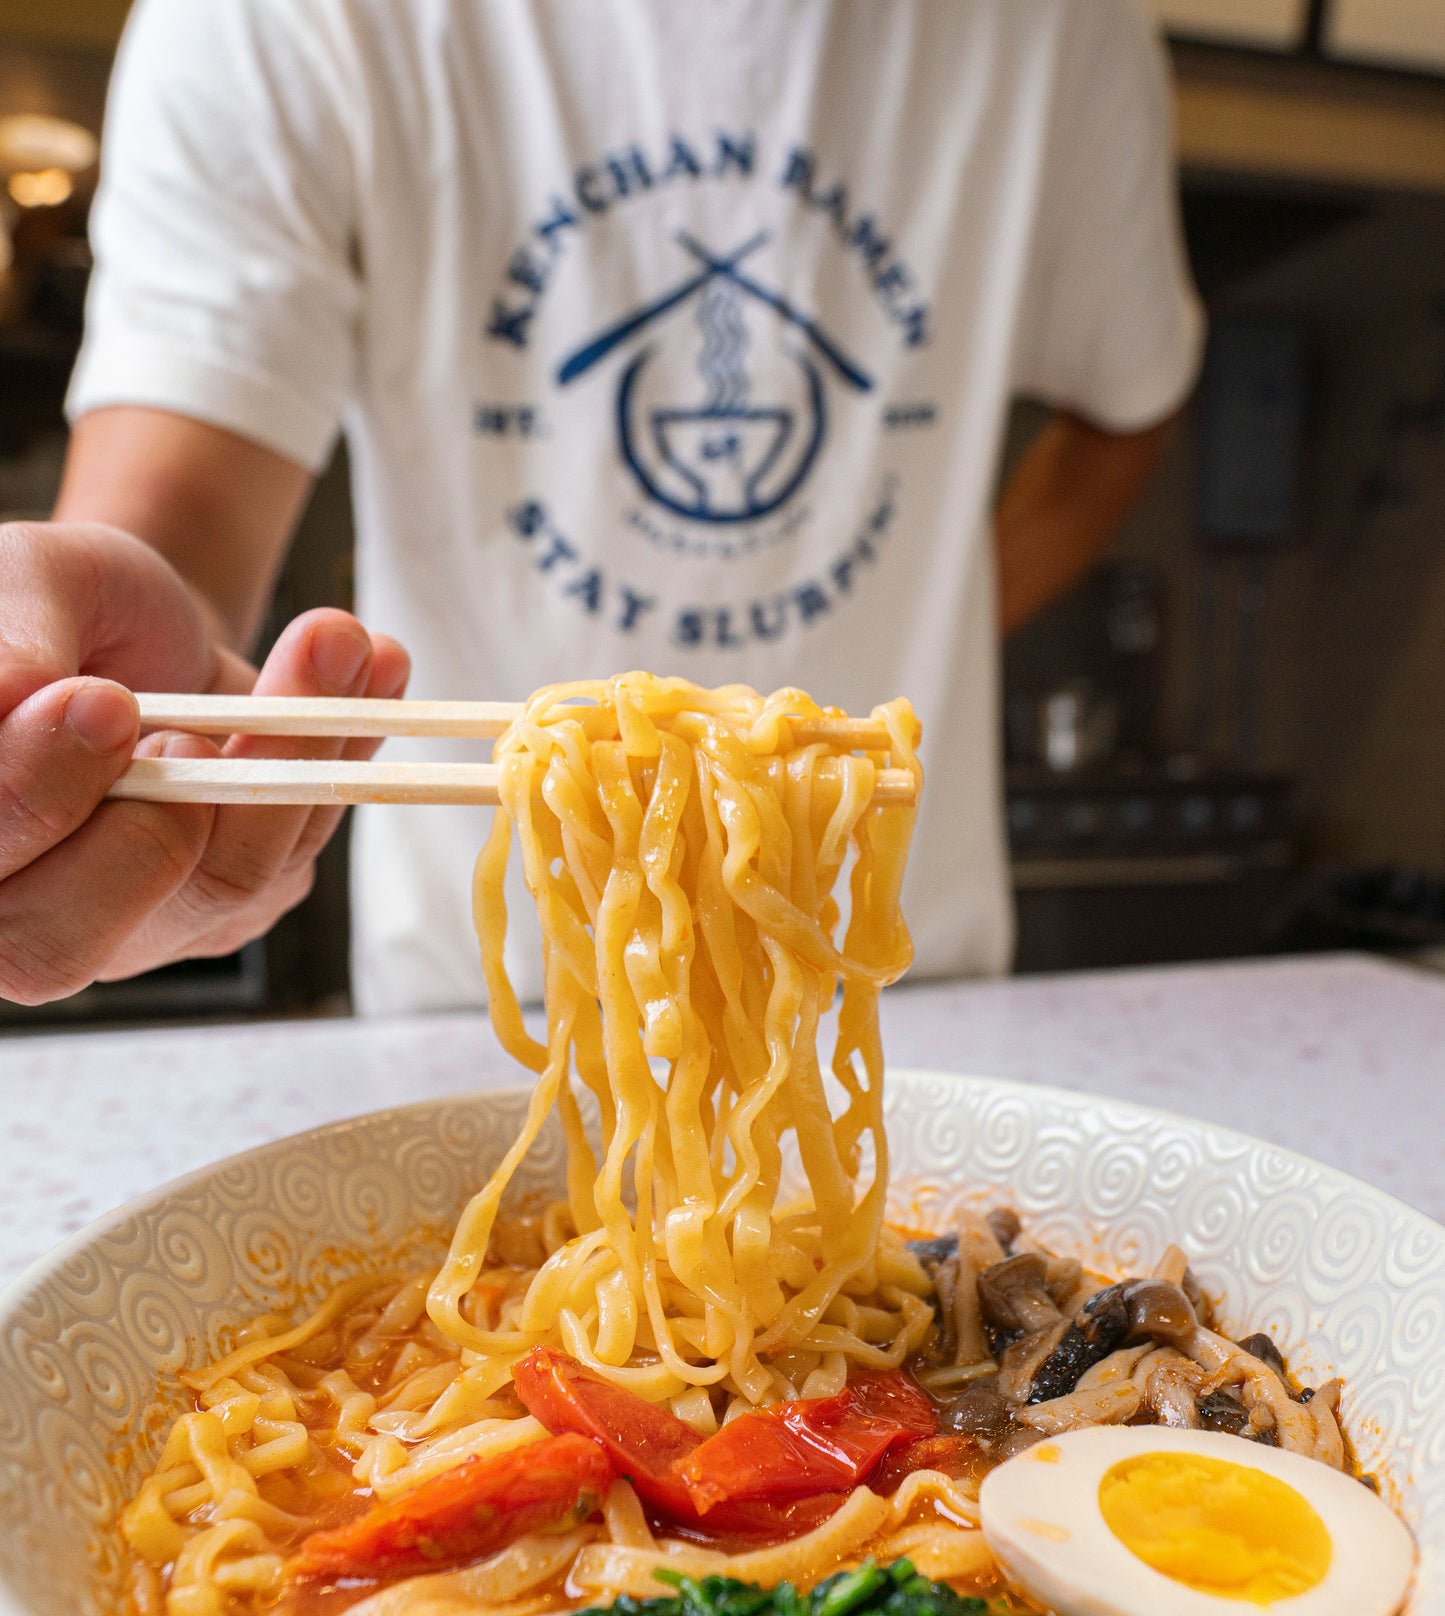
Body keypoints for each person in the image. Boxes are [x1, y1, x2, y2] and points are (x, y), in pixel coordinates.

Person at [0, 0, 1202, 1011]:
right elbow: (173, 526)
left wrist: (938, 627)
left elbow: (1129, 396)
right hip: (483, 1006)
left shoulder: (1053, 24)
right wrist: (98, 693)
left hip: (889, 978)